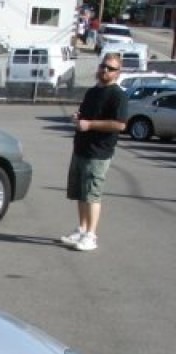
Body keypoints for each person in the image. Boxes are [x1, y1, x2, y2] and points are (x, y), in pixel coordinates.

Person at [60, 51, 127, 252]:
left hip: (99, 152)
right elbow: (85, 116)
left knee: (92, 194)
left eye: (111, 68)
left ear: (118, 72)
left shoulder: (118, 95)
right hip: (81, 148)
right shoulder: (92, 92)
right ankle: (81, 229)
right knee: (80, 192)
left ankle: (91, 235)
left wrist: (89, 125)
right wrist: (78, 118)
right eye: (103, 66)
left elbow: (120, 124)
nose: (105, 70)